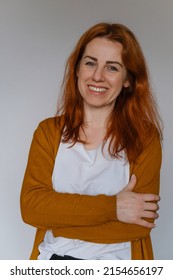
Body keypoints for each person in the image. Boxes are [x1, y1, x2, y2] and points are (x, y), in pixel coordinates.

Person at [20, 22, 162, 260]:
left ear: (128, 79)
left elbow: (139, 223)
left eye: (112, 68)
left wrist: (58, 219)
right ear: (77, 69)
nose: (98, 76)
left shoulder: (144, 137)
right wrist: (114, 208)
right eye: (90, 63)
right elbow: (32, 208)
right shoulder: (48, 132)